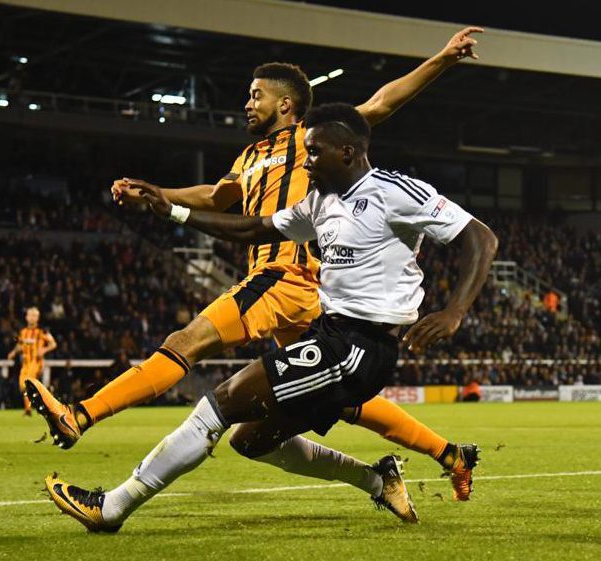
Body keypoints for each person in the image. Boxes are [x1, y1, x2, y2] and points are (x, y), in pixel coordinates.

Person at [28, 27, 485, 500]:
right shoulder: (249, 155)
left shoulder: (311, 142)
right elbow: (216, 196)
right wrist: (158, 196)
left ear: (285, 105)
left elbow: (381, 103)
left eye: (256, 96)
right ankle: (447, 453)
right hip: (309, 297)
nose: (247, 104)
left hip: (284, 275)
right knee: (342, 399)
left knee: (188, 341)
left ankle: (80, 414)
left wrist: (443, 59)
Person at [8, 307, 56, 415]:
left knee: (28, 382)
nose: (32, 317)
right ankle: (42, 402)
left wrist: (44, 350)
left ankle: (29, 409)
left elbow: (53, 344)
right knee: (23, 386)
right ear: (26, 317)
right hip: (25, 363)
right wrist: (13, 352)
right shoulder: (23, 332)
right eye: (30, 315)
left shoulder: (42, 331)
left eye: (34, 315)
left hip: (36, 362)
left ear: (38, 318)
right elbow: (20, 345)